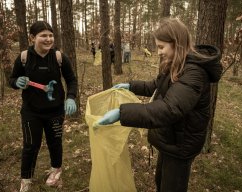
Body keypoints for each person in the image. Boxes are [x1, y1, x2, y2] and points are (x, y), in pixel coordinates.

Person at [94, 18, 222, 192]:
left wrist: (121, 113)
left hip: (181, 143)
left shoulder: (194, 73)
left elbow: (169, 109)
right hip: (171, 138)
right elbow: (155, 86)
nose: (159, 52)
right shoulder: (176, 64)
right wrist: (131, 86)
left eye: (161, 47)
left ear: (177, 43)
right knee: (160, 180)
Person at [9, 21, 77, 192]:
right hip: (31, 111)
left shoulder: (59, 57)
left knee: (55, 142)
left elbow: (71, 80)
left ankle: (56, 171)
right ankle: (26, 180)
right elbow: (11, 79)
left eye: (51, 35)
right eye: (43, 35)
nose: (48, 39)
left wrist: (70, 97)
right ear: (32, 38)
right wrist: (17, 82)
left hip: (55, 112)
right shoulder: (24, 58)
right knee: (30, 145)